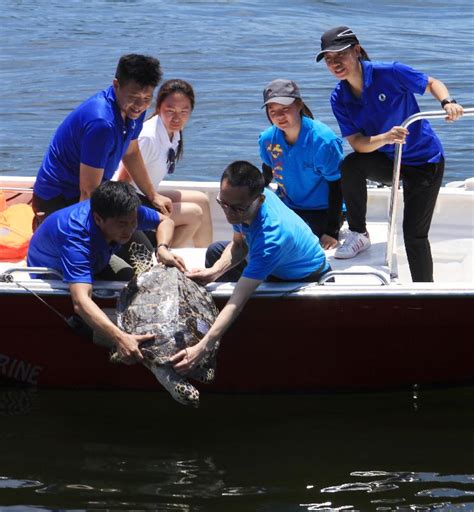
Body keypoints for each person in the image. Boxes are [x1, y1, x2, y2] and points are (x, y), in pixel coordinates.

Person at [317, 26, 464, 281]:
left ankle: (424, 291)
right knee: (351, 165)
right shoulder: (338, 97)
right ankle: (359, 234)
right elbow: (358, 143)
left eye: (340, 55)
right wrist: (386, 137)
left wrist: (447, 102)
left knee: (413, 235)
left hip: (424, 162)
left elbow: (431, 83)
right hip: (388, 160)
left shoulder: (390, 72)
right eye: (329, 59)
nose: (335, 63)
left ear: (357, 50)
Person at [170, 160, 330, 375]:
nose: (229, 213)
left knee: (238, 303)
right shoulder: (239, 203)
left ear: (260, 199)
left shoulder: (271, 238)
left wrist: (202, 348)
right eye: (222, 203)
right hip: (271, 259)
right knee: (216, 252)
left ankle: (222, 342)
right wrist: (214, 272)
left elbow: (237, 300)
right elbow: (239, 244)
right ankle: (218, 330)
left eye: (236, 208)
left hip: (300, 277)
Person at [27, 181, 186, 364]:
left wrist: (163, 248)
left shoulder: (125, 211)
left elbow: (166, 221)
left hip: (98, 254)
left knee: (134, 282)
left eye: (133, 222)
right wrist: (119, 338)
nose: (129, 229)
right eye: (122, 224)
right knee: (102, 305)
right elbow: (80, 301)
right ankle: (111, 344)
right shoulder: (76, 239)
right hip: (56, 272)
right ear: (98, 218)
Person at [32, 54, 166, 226]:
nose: (140, 105)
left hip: (95, 193)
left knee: (154, 226)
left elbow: (131, 152)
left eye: (147, 98)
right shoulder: (102, 124)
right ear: (116, 85)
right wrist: (89, 239)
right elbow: (88, 192)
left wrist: (153, 195)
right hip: (59, 200)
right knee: (137, 248)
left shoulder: (133, 112)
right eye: (133, 97)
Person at [116, 79, 213, 248]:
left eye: (184, 111)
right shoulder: (148, 137)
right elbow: (121, 182)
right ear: (159, 107)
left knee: (202, 200)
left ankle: (206, 259)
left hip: (146, 194)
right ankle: (162, 260)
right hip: (130, 202)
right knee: (194, 213)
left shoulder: (173, 132)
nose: (177, 117)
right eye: (170, 110)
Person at [259, 78, 344, 249]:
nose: (279, 116)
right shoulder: (267, 139)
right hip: (288, 204)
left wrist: (332, 231)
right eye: (272, 110)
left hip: (322, 210)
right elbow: (268, 170)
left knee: (289, 238)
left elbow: (338, 186)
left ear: (299, 105)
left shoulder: (323, 140)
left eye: (285, 109)